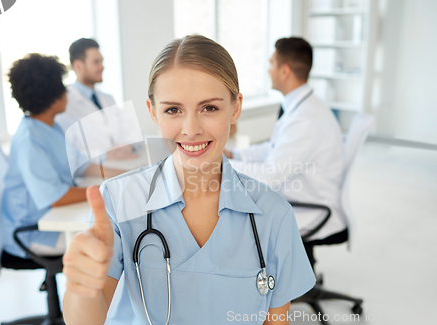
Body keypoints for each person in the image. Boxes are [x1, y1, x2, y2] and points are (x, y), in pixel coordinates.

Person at [62, 35, 316, 325]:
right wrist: (82, 287)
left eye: (209, 108)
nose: (191, 129)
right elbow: (84, 321)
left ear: (235, 108)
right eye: (173, 110)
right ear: (153, 112)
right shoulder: (119, 200)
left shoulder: (273, 214)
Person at [0, 54, 124, 258]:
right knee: (111, 239)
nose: (66, 92)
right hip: (37, 231)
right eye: (61, 87)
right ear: (50, 95)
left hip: (55, 217)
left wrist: (126, 175)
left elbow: (83, 165)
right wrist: (107, 190)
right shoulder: (30, 139)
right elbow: (57, 198)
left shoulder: (51, 126)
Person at [224, 37, 345, 247]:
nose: (268, 70)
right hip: (301, 195)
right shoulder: (304, 107)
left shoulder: (305, 119)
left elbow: (268, 177)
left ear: (285, 71)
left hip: (309, 208)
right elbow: (273, 148)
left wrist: (217, 164)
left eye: (272, 64)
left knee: (231, 217)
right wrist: (235, 155)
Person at [55, 38, 138, 160]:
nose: (102, 67)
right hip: (89, 175)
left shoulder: (108, 99)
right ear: (78, 66)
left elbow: (132, 130)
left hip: (118, 167)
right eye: (96, 62)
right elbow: (68, 151)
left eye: (102, 61)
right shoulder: (64, 103)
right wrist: (104, 155)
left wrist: (129, 145)